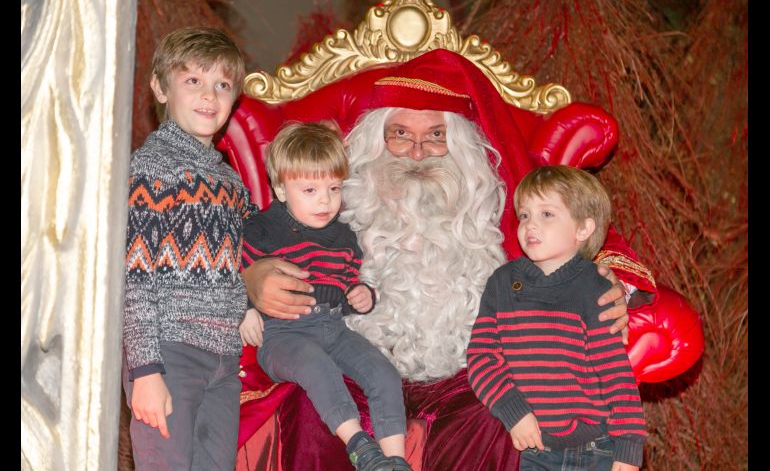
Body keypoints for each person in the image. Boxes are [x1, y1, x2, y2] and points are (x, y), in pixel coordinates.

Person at [239, 50, 654, 469]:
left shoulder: (503, 202)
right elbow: (254, 236)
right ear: (373, 142)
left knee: (509, 420)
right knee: (312, 406)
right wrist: (250, 281)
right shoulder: (335, 200)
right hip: (353, 361)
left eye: (436, 136)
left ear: (462, 147)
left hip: (469, 377)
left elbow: (591, 229)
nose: (417, 154)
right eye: (400, 134)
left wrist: (615, 282)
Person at [238, 122, 411, 471]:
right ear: (281, 189)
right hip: (283, 333)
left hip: (334, 327)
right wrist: (245, 309)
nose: (325, 201)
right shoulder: (262, 228)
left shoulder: (345, 235)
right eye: (310, 190)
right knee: (318, 367)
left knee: (384, 374)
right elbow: (236, 273)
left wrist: (363, 295)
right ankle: (361, 447)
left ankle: (396, 461)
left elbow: (347, 286)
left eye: (333, 188)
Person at [122, 27, 249, 470]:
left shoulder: (231, 182)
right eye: (193, 80)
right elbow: (134, 277)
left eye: (223, 84)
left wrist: (245, 307)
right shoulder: (149, 169)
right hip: (170, 353)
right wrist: (145, 371)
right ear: (160, 87)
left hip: (224, 359)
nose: (209, 95)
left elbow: (231, 265)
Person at [467, 165, 646, 471]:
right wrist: (515, 412)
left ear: (583, 229)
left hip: (594, 449)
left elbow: (616, 373)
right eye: (524, 215)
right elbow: (481, 357)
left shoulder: (595, 287)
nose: (530, 225)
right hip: (530, 449)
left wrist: (628, 447)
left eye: (546, 214)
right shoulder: (502, 283)